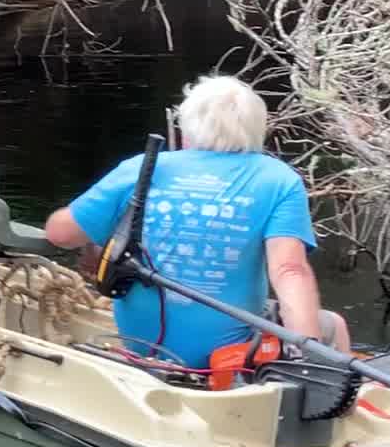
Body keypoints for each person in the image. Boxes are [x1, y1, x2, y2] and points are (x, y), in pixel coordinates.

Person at [43, 75, 350, 368]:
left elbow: (60, 233)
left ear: (187, 128)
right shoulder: (278, 180)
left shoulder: (143, 168)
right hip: (228, 353)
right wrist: (309, 353)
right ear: (257, 129)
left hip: (139, 343)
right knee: (333, 325)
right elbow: (288, 270)